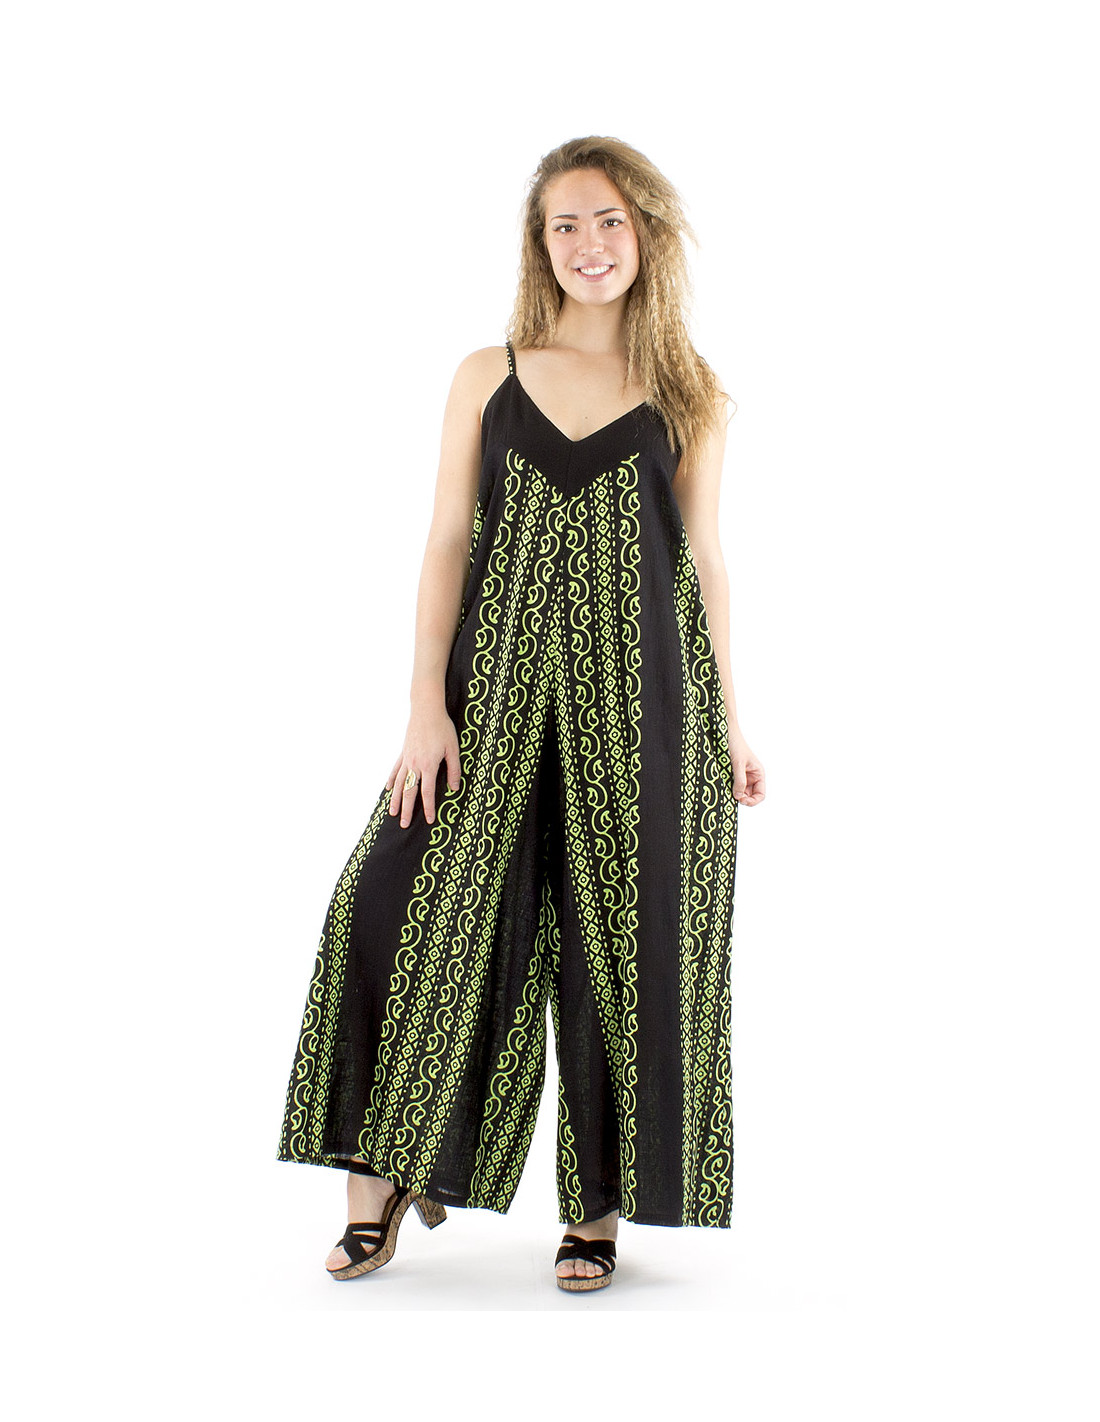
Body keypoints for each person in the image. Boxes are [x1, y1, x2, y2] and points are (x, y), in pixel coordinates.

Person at [276, 135, 766, 1293]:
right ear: (537, 244)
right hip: (486, 697)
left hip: (642, 706)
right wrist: (422, 705)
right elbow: (447, 539)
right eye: (563, 225)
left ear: (645, 234)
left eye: (608, 221)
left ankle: (594, 1214)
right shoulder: (485, 376)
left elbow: (701, 564)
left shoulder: (690, 392)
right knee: (390, 901)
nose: (587, 244)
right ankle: (380, 1177)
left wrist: (732, 722)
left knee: (616, 949)